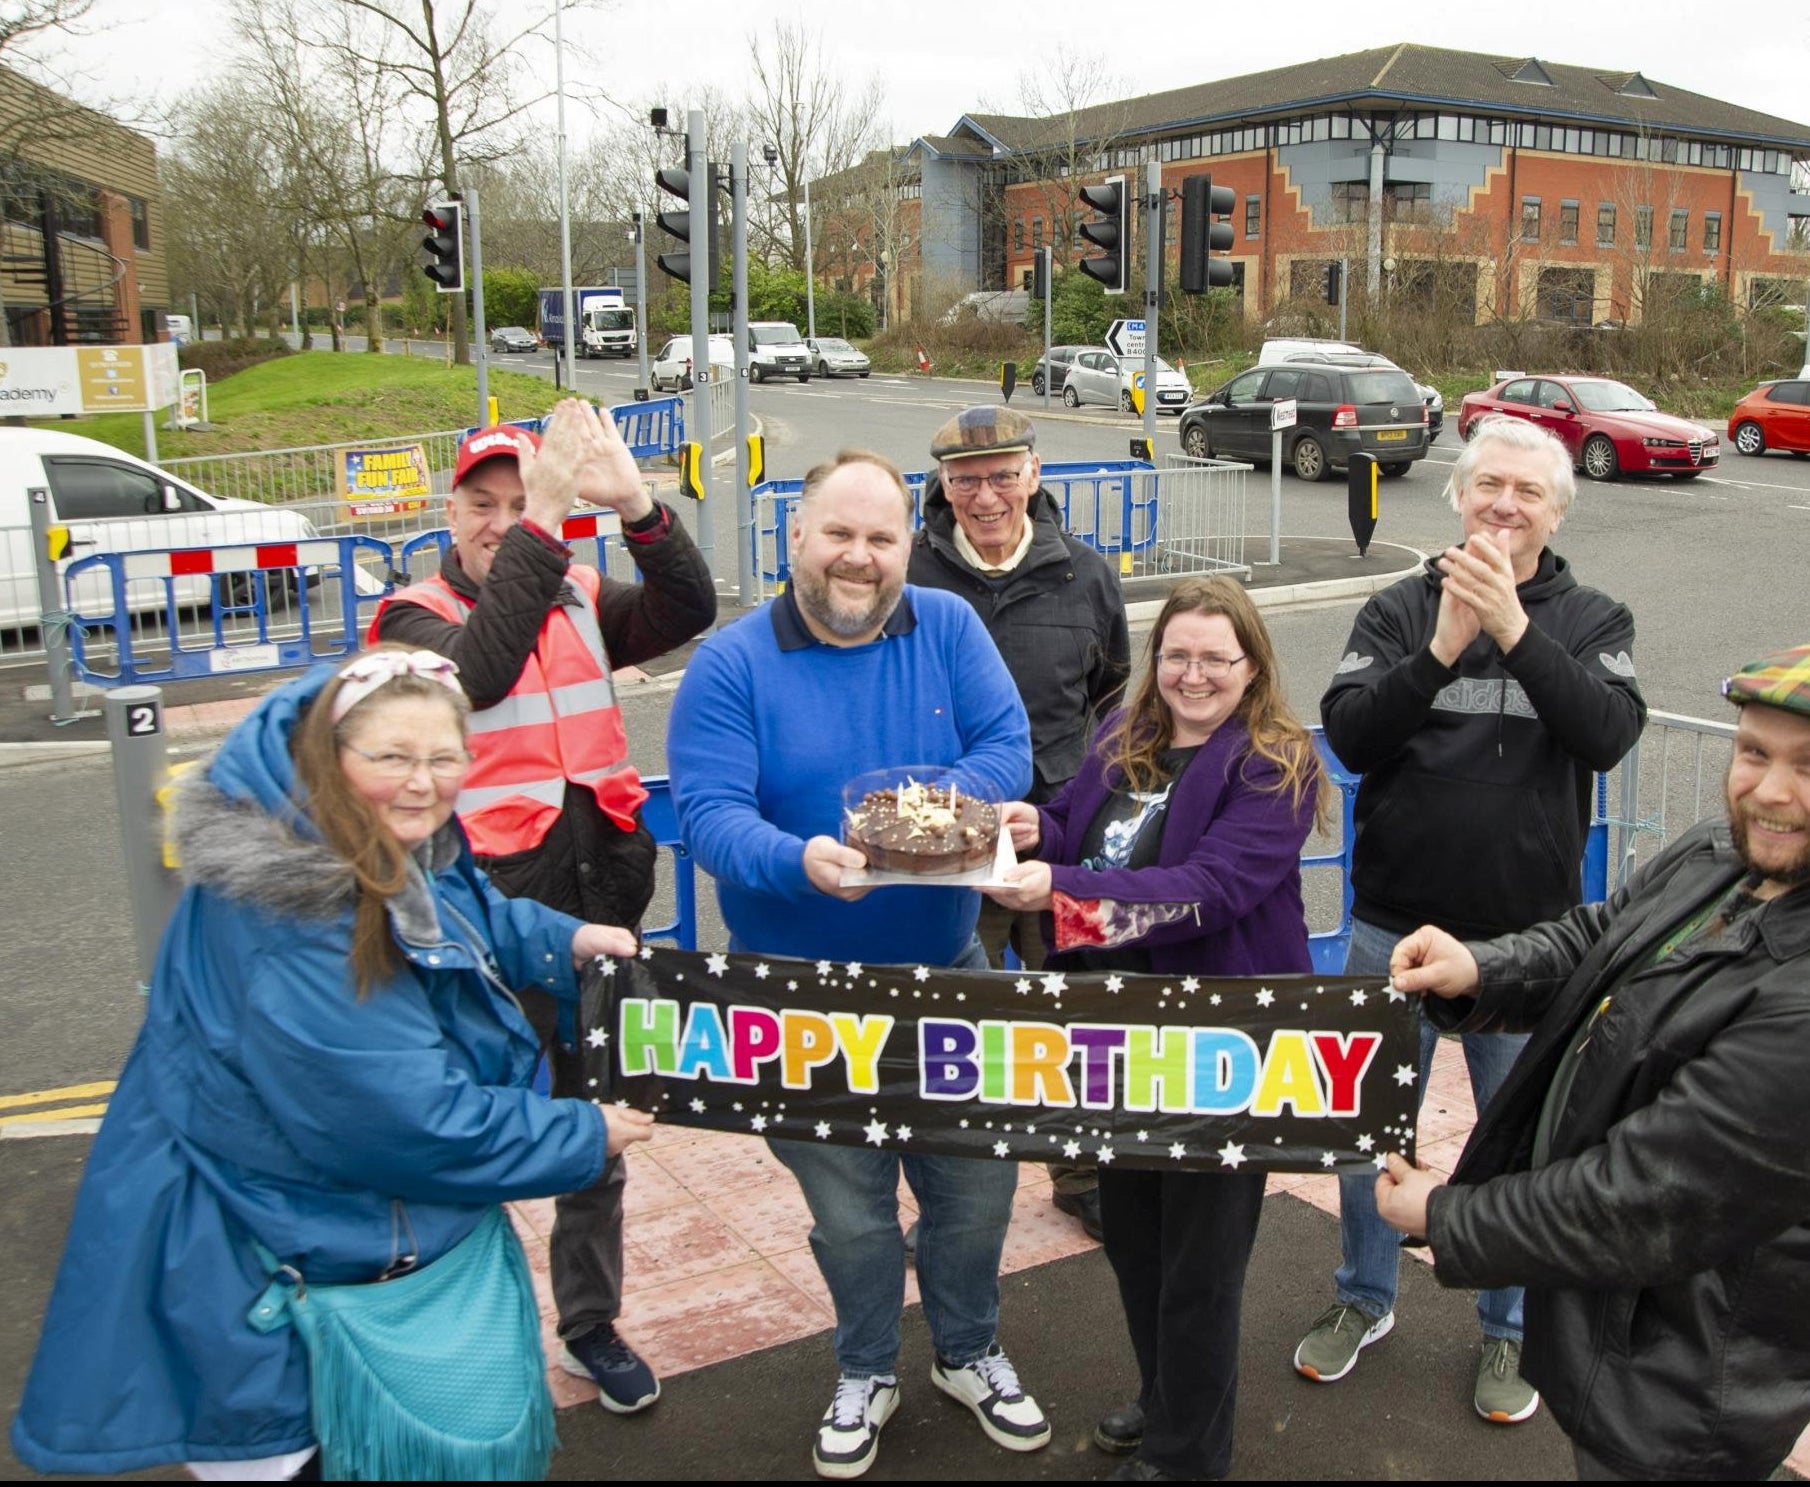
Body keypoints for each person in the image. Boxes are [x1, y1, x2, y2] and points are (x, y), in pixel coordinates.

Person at [10, 647, 655, 1480]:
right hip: (266, 1280)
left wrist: (561, 938)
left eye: (444, 757)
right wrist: (584, 1131)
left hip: (309, 1236)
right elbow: (406, 1119)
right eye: (391, 756)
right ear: (329, 753)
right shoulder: (293, 918)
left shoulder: (364, 833)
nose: (422, 782)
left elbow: (462, 913)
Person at [1375, 639, 1810, 1480]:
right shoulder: (1730, 850)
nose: (1771, 791)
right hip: (1619, 1318)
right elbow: (1607, 935)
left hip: (1681, 1386)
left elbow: (1636, 1203)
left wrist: (1447, 1217)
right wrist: (1482, 967)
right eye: (1754, 752)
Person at [668, 450, 1042, 1481]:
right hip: (797, 993)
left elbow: (1005, 743)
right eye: (839, 533)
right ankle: (867, 1364)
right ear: (795, 536)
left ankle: (969, 1350)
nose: (860, 557)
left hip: (950, 970)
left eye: (882, 538)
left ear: (907, 547)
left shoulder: (950, 625)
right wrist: (800, 861)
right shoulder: (732, 662)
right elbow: (707, 817)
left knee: (976, 1193)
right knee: (851, 1213)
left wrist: (923, 817)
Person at [370, 398, 715, 1412]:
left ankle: (589, 1323)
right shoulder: (409, 618)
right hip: (475, 924)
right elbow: (473, 673)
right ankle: (447, 1328)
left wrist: (641, 506)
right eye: (484, 503)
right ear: (450, 508)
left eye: (518, 502)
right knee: (459, 1135)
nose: (499, 520)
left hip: (596, 903)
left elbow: (685, 607)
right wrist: (551, 513)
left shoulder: (572, 587)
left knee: (593, 1134)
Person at [1302, 412, 1646, 1422]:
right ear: (1457, 498)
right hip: (1391, 923)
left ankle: (1508, 1328)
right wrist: (1444, 645)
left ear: (1555, 510)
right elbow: (1355, 737)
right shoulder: (1397, 610)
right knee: (1372, 1127)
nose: (1503, 504)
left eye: (1526, 491)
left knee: (1519, 1142)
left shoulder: (1594, 618)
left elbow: (1607, 731)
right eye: (1488, 485)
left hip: (1525, 944)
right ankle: (1364, 1294)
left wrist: (1516, 632)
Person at [987, 575, 1324, 1483]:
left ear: (1251, 665)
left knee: (1202, 1270)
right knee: (1137, 1241)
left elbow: (1208, 891)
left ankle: (1188, 1458)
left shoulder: (1274, 762)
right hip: (1118, 1038)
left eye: (1216, 657)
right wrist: (1036, 828)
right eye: (1177, 654)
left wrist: (1061, 893)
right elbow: (1082, 832)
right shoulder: (1122, 732)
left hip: (1221, 1045)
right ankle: (1165, 1396)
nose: (1193, 674)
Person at [910, 403, 1130, 1242]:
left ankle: (1079, 1173)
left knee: (1069, 1006)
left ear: (1035, 474)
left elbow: (1113, 700)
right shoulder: (912, 576)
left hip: (1057, 831)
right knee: (954, 1014)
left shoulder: (1087, 574)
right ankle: (950, 1192)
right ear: (943, 485)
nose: (986, 495)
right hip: (944, 833)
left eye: (1004, 474)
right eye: (966, 479)